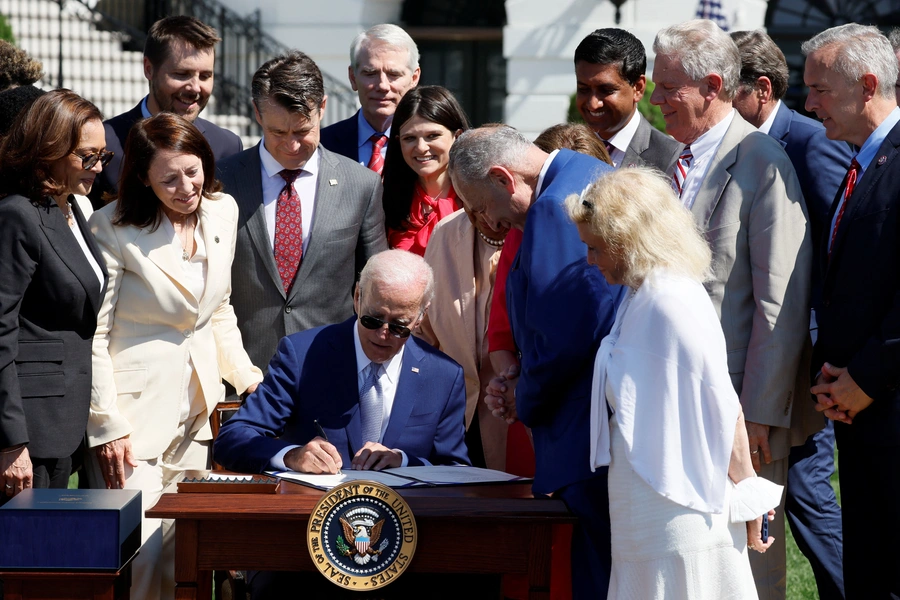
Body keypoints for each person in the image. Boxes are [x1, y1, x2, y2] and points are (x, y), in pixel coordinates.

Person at [650, 20, 817, 600]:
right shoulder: (675, 160)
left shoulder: (763, 160)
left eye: (669, 86)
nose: (655, 97)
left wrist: (762, 413)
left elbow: (781, 300)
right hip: (675, 402)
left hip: (741, 414)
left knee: (747, 568)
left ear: (712, 85)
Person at [569, 166, 782, 599]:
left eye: (597, 248)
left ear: (628, 238)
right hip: (643, 495)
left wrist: (749, 495)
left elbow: (721, 403)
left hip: (680, 504)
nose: (591, 261)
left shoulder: (672, 299)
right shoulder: (640, 294)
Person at [86, 113, 263, 600]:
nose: (186, 187)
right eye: (169, 178)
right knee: (142, 557)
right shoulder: (111, 228)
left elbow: (217, 310)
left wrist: (247, 378)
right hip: (132, 417)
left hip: (198, 411)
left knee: (185, 553)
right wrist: (107, 424)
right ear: (144, 177)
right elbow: (95, 335)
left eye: (193, 171)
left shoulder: (222, 210)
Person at [448, 125, 619, 599]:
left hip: (583, 428)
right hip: (595, 417)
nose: (490, 223)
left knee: (597, 572)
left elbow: (569, 328)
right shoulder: (585, 173)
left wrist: (527, 393)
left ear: (505, 179)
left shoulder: (554, 206)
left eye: (481, 206)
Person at [731, 29, 849, 600]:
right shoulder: (738, 145)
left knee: (805, 493)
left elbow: (834, 249)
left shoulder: (809, 141)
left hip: (804, 355)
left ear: (758, 89)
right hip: (766, 354)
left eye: (727, 91)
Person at [213, 248, 469, 473]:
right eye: (372, 319)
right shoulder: (302, 355)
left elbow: (456, 469)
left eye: (400, 326)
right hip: (313, 516)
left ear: (421, 317)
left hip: (405, 520)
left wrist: (403, 461)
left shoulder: (443, 376)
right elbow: (233, 439)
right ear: (357, 298)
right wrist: (292, 456)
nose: (383, 334)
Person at [803, 23, 900, 599]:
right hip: (860, 412)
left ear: (867, 86)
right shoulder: (864, 160)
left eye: (820, 89)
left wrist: (865, 376)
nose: (809, 104)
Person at [217, 51, 387, 373]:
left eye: (302, 131)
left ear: (322, 108)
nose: (291, 146)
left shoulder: (361, 185)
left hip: (330, 371)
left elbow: (373, 287)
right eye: (278, 132)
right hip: (244, 375)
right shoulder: (221, 182)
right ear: (256, 112)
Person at [0, 90, 108, 501]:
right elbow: (1, 332)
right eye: (87, 156)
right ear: (48, 152)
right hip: (28, 432)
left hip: (65, 422)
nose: (97, 168)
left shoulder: (74, 208)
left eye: (104, 157)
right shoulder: (17, 214)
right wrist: (10, 442)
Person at [90, 16, 242, 207]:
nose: (195, 87)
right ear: (149, 69)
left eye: (205, 76)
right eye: (181, 74)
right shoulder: (105, 143)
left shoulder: (227, 147)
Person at [416, 198, 509, 470]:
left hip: (517, 420)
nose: (488, 218)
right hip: (454, 422)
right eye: (475, 205)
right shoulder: (446, 232)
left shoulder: (538, 232)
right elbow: (425, 334)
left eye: (488, 199)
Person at [574, 28, 682, 170]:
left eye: (606, 90)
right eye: (583, 89)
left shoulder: (672, 159)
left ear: (638, 88)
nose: (593, 104)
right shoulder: (562, 150)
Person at [320, 24, 420, 174]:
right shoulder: (322, 146)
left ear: (414, 78)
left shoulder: (429, 149)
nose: (382, 85)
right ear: (353, 77)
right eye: (370, 73)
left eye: (393, 74)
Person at [382, 85, 468, 255]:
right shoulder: (382, 198)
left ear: (457, 136)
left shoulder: (481, 198)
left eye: (432, 136)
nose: (421, 148)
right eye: (410, 138)